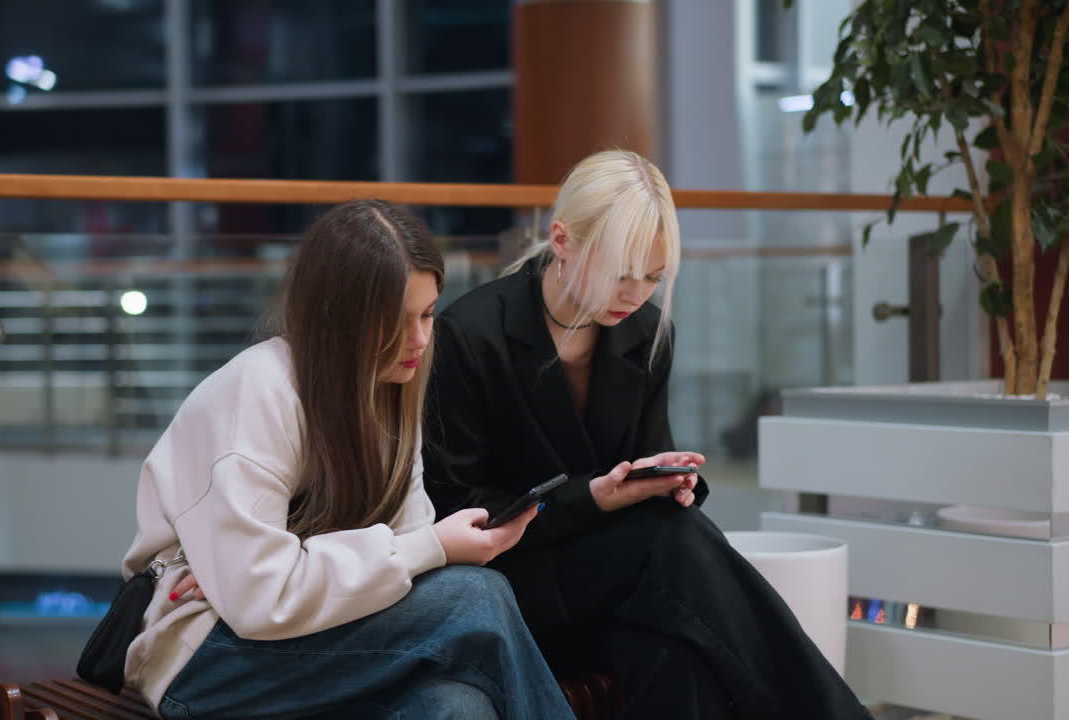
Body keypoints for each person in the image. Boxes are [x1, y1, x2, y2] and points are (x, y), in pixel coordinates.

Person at [423, 150, 872, 719]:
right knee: (671, 545)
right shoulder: (471, 334)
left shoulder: (646, 333)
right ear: (562, 240)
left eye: (654, 277)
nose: (637, 293)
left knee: (672, 633)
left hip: (626, 583)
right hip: (515, 582)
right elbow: (456, 507)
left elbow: (641, 468)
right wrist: (592, 498)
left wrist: (669, 483)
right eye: (622, 273)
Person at [123, 199, 575, 720]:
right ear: (339, 316)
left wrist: (309, 556)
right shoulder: (261, 391)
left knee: (455, 705)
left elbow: (394, 566)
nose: (421, 340)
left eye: (428, 314)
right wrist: (430, 548)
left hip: (309, 638)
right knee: (477, 598)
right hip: (203, 659)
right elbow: (262, 599)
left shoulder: (386, 396)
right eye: (397, 320)